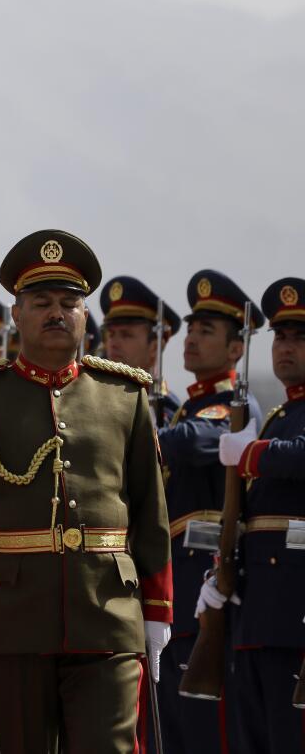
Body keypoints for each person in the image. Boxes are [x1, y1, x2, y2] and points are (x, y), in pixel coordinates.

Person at [0, 230, 172, 753]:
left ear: (85, 316)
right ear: (17, 314)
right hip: (11, 615)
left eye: (69, 303)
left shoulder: (123, 395)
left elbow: (150, 511)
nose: (57, 313)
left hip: (108, 612)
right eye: (41, 303)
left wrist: (158, 607)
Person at [156, 269, 262, 753]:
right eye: (192, 329)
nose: (192, 339)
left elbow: (196, 442)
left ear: (236, 348)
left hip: (202, 586)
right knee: (172, 731)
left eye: (207, 331)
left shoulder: (233, 407)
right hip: (174, 585)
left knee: (205, 732)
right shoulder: (190, 407)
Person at [201, 276, 305, 752]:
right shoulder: (282, 415)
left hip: (295, 608)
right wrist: (225, 569)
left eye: (299, 337)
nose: (285, 347)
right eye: (280, 336)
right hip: (259, 605)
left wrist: (254, 454)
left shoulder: (277, 429)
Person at [99, 275, 181, 427]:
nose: (113, 343)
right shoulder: (94, 397)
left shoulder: (168, 412)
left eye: (126, 335)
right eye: (111, 335)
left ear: (154, 347)